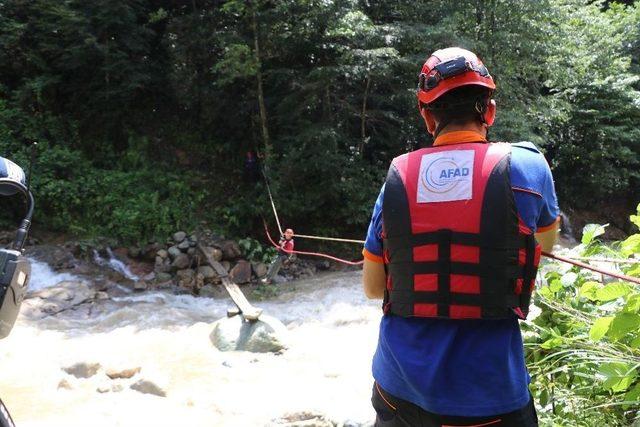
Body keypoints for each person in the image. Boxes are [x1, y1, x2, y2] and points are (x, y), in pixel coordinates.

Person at [362, 47, 560, 427]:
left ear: (426, 117)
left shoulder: (397, 176)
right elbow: (545, 245)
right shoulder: (527, 165)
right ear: (489, 111)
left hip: (398, 390)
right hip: (490, 399)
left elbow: (374, 288)